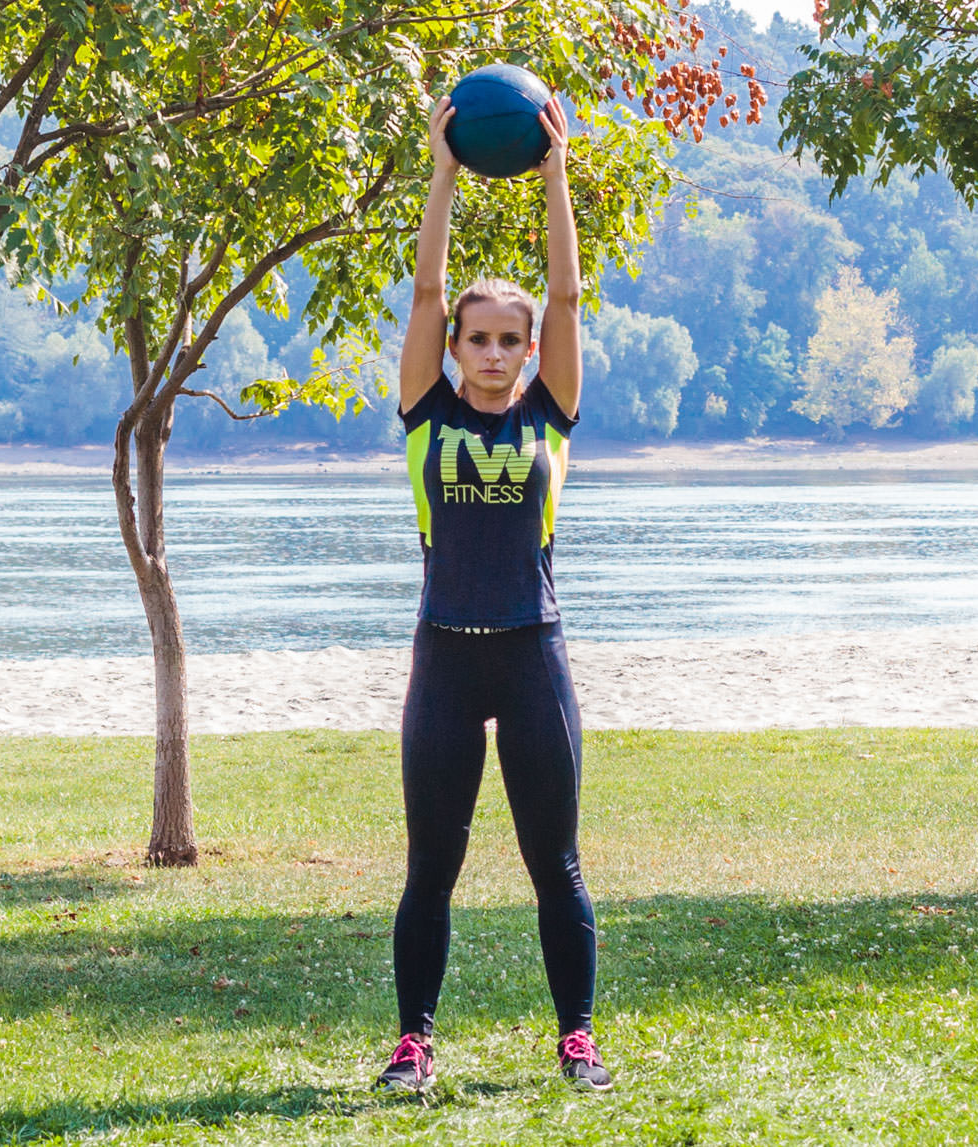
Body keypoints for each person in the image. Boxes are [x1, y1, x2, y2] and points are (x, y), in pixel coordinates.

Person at [374, 91, 611, 1094]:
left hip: (529, 655)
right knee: (431, 868)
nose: (492, 351)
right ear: (456, 347)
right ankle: (412, 1043)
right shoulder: (423, 409)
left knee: (553, 865)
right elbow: (423, 292)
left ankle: (576, 1041)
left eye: (507, 340)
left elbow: (564, 295)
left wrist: (554, 170)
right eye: (477, 338)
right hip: (443, 652)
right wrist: (441, 166)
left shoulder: (547, 418)